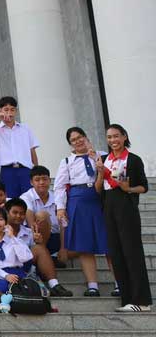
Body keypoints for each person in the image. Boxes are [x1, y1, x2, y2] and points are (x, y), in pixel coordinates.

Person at [97, 124, 151, 312]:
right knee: (116, 254)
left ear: (124, 136)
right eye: (109, 137)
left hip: (127, 208)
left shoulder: (133, 160)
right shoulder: (105, 160)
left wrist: (129, 189)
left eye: (116, 136)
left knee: (132, 253)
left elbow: (144, 187)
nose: (113, 140)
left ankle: (142, 301)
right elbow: (98, 188)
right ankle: (127, 299)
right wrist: (100, 172)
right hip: (109, 208)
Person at [55, 127, 110, 297]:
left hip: (100, 198)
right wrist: (61, 207)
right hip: (78, 199)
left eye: (80, 137)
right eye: (73, 140)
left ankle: (119, 283)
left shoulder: (102, 155)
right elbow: (59, 186)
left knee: (109, 242)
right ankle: (92, 285)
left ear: (86, 137)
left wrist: (95, 157)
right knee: (84, 245)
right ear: (70, 144)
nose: (78, 141)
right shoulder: (66, 161)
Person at [4, 198, 73, 297]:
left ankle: (54, 285)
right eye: (15, 213)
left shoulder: (29, 232)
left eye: (22, 213)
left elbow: (34, 255)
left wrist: (39, 242)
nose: (18, 216)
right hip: (5, 267)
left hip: (24, 266)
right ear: (7, 213)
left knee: (39, 248)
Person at [0, 96, 40, 198]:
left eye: (12, 110)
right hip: (8, 170)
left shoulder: (25, 128)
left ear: (16, 111)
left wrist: (36, 169)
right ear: (0, 110)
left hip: (25, 169)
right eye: (6, 110)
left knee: (29, 199)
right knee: (10, 200)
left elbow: (32, 149)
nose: (9, 113)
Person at [19, 166, 61, 261]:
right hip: (35, 237)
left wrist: (63, 248)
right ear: (31, 182)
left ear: (49, 180)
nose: (41, 182)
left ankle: (52, 255)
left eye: (44, 179)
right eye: (37, 180)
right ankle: (44, 254)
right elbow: (28, 212)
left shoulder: (57, 197)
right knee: (42, 215)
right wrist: (35, 233)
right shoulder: (26, 197)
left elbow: (63, 222)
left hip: (55, 237)